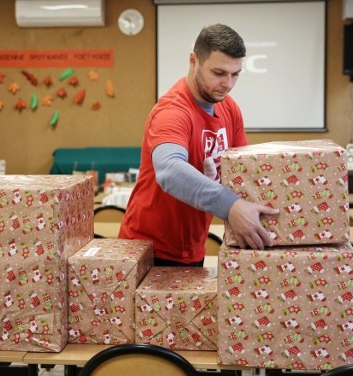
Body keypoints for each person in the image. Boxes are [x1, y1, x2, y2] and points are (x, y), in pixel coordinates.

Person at [119, 23, 280, 266]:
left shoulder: (229, 108)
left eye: (235, 74)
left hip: (193, 247)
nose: (228, 84)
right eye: (219, 73)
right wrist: (231, 206)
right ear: (194, 61)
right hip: (148, 251)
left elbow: (242, 171)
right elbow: (169, 172)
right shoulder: (172, 111)